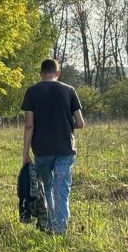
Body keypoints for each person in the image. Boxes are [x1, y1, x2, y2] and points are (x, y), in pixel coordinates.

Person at [21, 59, 85, 234]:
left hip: (41, 151)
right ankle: (60, 229)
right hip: (65, 149)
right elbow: (80, 123)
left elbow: (29, 125)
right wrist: (64, 121)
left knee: (47, 188)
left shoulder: (32, 92)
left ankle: (49, 225)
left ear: (41, 73)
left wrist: (25, 153)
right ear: (58, 72)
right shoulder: (69, 91)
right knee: (61, 190)